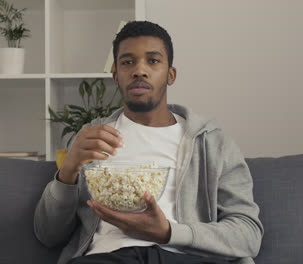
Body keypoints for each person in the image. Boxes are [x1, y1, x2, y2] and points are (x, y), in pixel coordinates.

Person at [34, 21, 264, 264]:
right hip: (109, 257)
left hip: (186, 257)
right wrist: (68, 169)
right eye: (127, 62)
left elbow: (248, 234)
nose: (139, 71)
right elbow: (48, 235)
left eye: (153, 61)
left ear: (170, 74)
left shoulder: (211, 142)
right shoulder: (93, 137)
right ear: (115, 75)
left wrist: (168, 232)